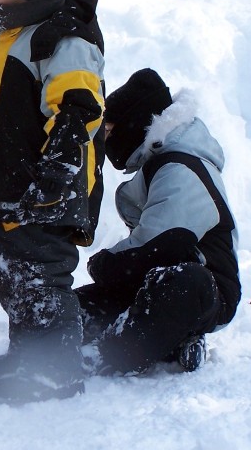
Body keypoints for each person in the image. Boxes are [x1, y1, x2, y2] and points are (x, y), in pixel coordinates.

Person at [0, 0, 105, 404]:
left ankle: (55, 369)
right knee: (7, 269)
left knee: (39, 275)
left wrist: (57, 171)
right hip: (10, 184)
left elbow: (79, 106)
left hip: (45, 187)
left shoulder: (64, 39)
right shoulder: (10, 33)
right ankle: (31, 353)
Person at [76, 68, 241, 375]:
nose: (107, 140)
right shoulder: (160, 163)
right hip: (152, 281)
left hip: (205, 290)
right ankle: (176, 342)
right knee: (75, 309)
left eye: (110, 131)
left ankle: (111, 354)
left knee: (178, 283)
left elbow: (160, 243)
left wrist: (104, 264)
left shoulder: (181, 168)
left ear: (134, 123)